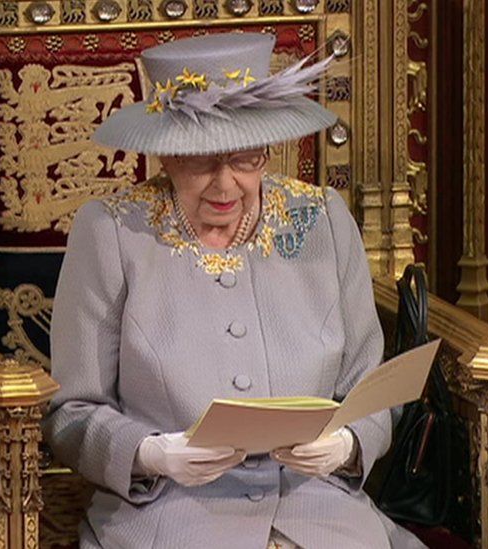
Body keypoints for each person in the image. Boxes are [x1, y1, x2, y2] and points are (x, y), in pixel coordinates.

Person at [42, 32, 426, 549]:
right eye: (202, 161)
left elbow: (370, 386)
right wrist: (150, 454)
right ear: (167, 157)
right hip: (172, 513)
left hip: (321, 511)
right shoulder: (112, 233)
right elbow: (71, 412)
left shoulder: (323, 220)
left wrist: (348, 443)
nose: (225, 186)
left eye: (246, 160)